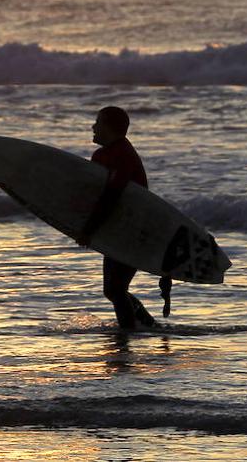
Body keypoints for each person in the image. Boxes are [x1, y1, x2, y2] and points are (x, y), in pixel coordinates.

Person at [76, 106, 169, 329]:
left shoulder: (123, 155)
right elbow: (95, 195)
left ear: (109, 127)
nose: (93, 127)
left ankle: (128, 335)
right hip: (116, 230)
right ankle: (148, 326)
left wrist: (89, 229)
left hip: (134, 230)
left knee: (116, 289)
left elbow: (112, 195)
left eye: (98, 122)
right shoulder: (102, 155)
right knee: (112, 290)